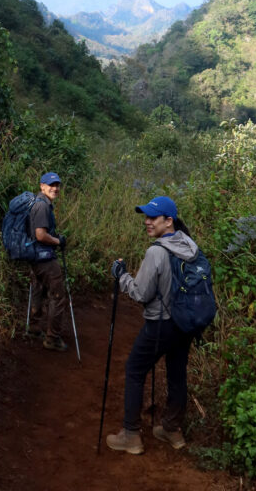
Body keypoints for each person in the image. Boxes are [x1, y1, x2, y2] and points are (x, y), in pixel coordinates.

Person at [106, 195, 196, 455]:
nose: (147, 222)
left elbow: (141, 294)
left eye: (152, 218)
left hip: (161, 324)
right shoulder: (190, 245)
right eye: (145, 217)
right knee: (177, 372)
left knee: (135, 369)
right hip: (186, 323)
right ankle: (172, 429)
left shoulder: (156, 251)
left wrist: (121, 276)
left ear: (169, 221)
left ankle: (131, 435)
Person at [26, 171, 68, 351]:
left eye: (57, 185)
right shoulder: (42, 206)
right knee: (57, 296)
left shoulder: (37, 203)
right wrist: (58, 241)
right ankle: (52, 338)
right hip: (44, 259)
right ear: (42, 186)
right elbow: (40, 235)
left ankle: (34, 328)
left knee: (38, 290)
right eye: (51, 185)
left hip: (35, 257)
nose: (55, 188)